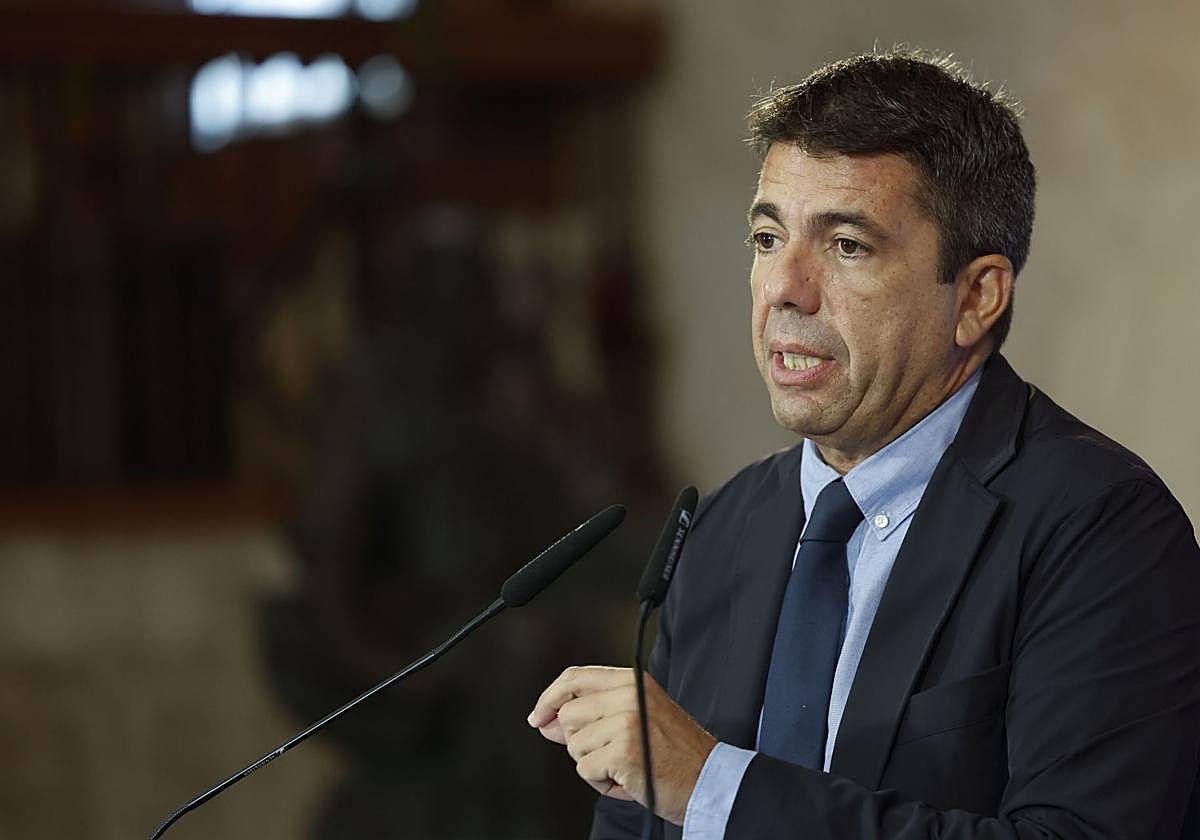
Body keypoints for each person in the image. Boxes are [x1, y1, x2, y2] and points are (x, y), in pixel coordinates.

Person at [526, 49, 1200, 839]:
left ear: (977, 297)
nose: (786, 288)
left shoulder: (1100, 528)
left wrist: (717, 788)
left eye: (847, 246)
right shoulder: (720, 531)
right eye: (768, 238)